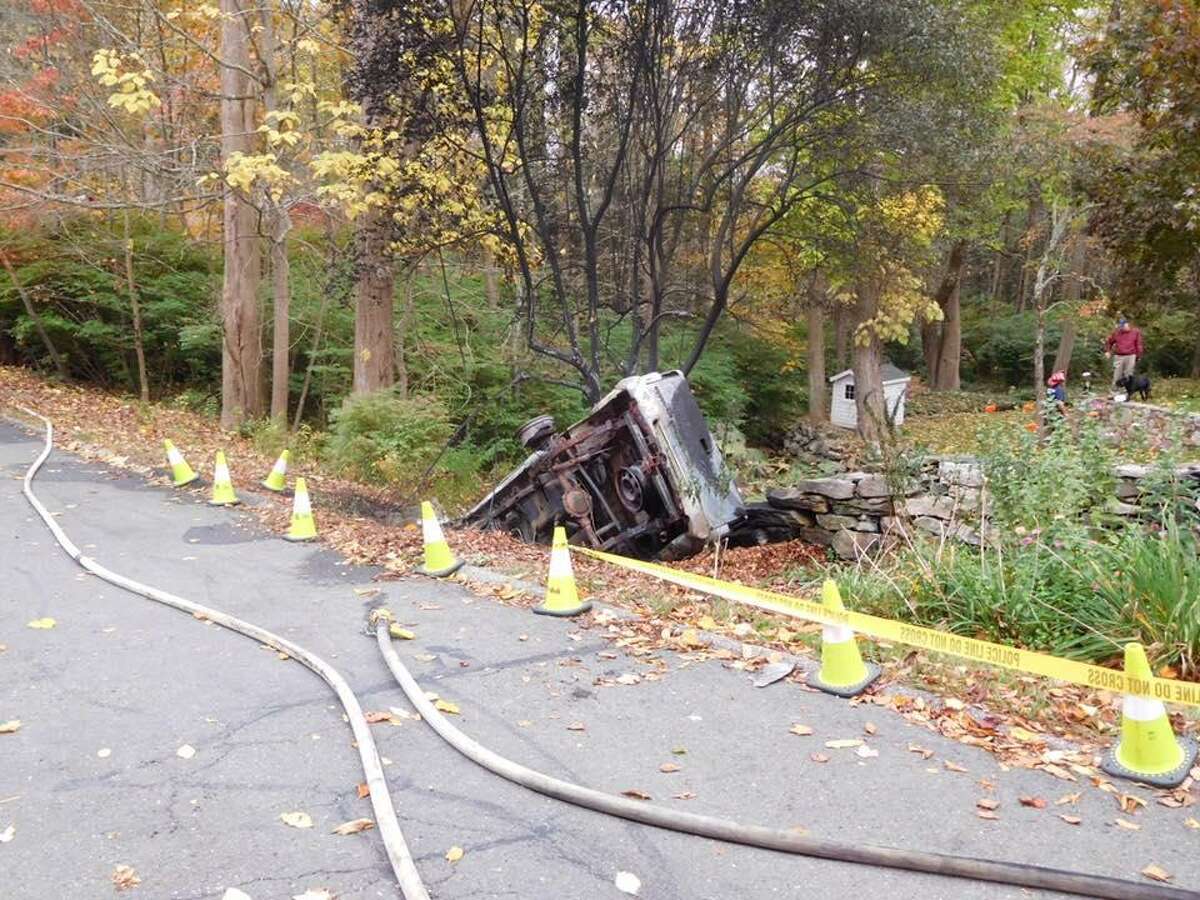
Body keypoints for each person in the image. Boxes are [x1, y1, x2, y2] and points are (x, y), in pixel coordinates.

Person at [1104, 316, 1144, 392]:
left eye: (1124, 326)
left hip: (1131, 355)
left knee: (1128, 374)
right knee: (1117, 374)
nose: (1122, 328)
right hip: (1119, 356)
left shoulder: (1136, 332)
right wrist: (1107, 351)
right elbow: (1109, 342)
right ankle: (1114, 390)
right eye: (1121, 327)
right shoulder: (1116, 333)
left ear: (1127, 324)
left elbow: (1139, 344)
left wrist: (1139, 355)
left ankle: (1127, 391)